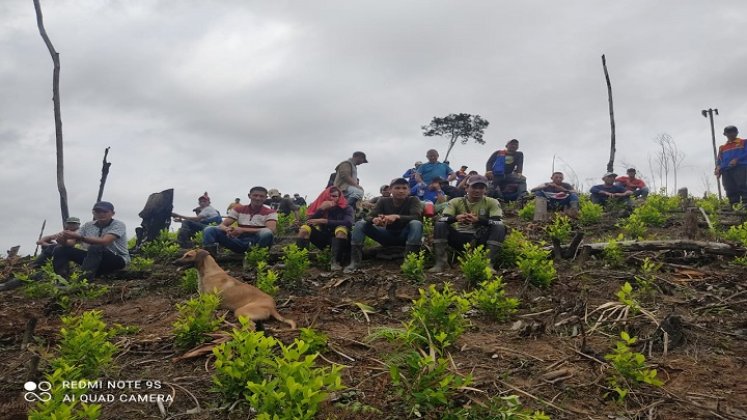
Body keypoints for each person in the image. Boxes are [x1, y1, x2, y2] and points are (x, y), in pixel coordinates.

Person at [344, 178, 423, 273]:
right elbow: (368, 217)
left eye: (404, 188)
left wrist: (396, 217)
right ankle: (354, 263)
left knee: (416, 223)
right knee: (360, 224)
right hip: (387, 236)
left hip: (405, 236)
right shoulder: (383, 201)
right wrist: (375, 220)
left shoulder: (413, 200)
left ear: (409, 190)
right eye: (397, 188)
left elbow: (416, 216)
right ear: (390, 190)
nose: (401, 191)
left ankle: (409, 263)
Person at [430, 175, 506, 272]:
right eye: (474, 187)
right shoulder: (455, 201)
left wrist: (479, 220)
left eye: (481, 187)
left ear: (485, 190)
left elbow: (497, 221)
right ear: (466, 187)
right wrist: (456, 218)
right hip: (460, 238)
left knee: (500, 227)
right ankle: (441, 264)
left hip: (481, 239)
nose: (477, 190)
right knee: (440, 224)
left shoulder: (492, 202)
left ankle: (488, 264)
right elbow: (443, 219)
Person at [52, 201, 130, 280]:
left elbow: (105, 241)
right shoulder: (87, 225)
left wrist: (80, 237)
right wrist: (63, 240)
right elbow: (71, 243)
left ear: (113, 213)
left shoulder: (118, 224)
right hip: (92, 259)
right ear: (93, 212)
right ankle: (61, 279)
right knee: (60, 249)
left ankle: (84, 281)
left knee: (96, 247)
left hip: (116, 260)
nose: (101, 214)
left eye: (105, 211)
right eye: (98, 211)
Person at [203, 186, 277, 255]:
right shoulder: (239, 209)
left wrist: (243, 230)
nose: (258, 198)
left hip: (257, 242)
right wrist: (227, 229)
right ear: (249, 196)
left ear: (265, 198)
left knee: (266, 233)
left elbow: (271, 229)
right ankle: (210, 258)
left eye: (261, 196)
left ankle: (258, 257)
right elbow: (222, 225)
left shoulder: (270, 212)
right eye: (255, 195)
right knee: (209, 229)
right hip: (238, 241)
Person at [296, 186, 354, 271]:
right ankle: (300, 261)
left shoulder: (346, 208)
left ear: (339, 197)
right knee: (304, 228)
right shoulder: (321, 207)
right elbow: (309, 222)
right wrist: (321, 210)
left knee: (341, 229)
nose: (331, 198)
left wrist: (325, 221)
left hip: (342, 241)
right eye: (329, 196)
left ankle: (336, 262)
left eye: (334, 196)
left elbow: (348, 223)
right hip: (325, 240)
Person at [715, 125, 747, 205]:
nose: (731, 134)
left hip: (741, 167)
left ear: (737, 133)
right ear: (725, 134)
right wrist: (718, 168)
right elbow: (719, 160)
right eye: (728, 132)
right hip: (726, 170)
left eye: (733, 132)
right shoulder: (722, 147)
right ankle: (734, 206)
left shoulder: (744, 142)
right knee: (729, 188)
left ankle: (745, 205)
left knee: (742, 185)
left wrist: (737, 159)